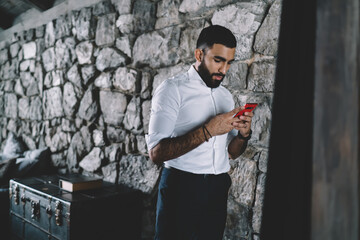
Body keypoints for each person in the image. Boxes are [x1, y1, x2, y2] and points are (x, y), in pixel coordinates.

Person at [146, 25, 254, 240]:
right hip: (181, 187)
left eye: (229, 63)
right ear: (199, 54)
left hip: (217, 187)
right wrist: (208, 130)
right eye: (218, 60)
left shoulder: (225, 96)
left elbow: (231, 152)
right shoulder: (171, 90)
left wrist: (243, 135)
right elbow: (156, 153)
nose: (224, 70)